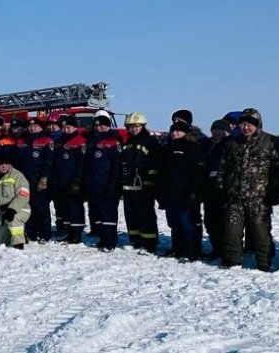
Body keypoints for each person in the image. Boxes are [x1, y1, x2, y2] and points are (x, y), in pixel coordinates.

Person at [220, 107, 279, 271]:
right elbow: (224, 166)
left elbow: (278, 170)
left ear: (258, 125)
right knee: (231, 232)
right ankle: (232, 262)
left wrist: (276, 192)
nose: (246, 127)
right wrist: (221, 186)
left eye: (250, 124)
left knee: (260, 233)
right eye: (243, 124)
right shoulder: (232, 143)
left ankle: (264, 264)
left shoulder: (270, 142)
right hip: (235, 197)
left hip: (259, 198)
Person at [157, 121, 204, 261]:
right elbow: (161, 172)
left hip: (187, 194)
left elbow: (198, 171)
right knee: (174, 223)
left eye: (178, 131)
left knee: (188, 222)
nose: (175, 133)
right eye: (173, 131)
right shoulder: (166, 148)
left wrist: (194, 191)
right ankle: (177, 248)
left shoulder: (193, 148)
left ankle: (193, 250)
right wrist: (160, 192)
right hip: (170, 194)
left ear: (185, 133)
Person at [120, 112, 161, 252]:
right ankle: (135, 240)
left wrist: (150, 182)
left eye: (136, 126)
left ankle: (149, 243)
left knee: (146, 214)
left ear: (142, 126)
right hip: (128, 184)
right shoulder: (127, 143)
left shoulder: (151, 142)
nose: (133, 129)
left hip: (143, 185)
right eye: (130, 127)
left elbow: (155, 164)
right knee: (130, 214)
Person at [84, 111, 123, 251]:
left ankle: (110, 242)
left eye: (101, 126)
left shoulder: (114, 140)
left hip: (107, 185)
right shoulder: (92, 141)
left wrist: (113, 184)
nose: (98, 129)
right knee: (98, 214)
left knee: (108, 215)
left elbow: (116, 166)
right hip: (94, 184)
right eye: (96, 126)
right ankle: (102, 237)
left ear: (108, 126)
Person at [49, 116, 87, 244]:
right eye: (63, 128)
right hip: (60, 181)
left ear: (75, 127)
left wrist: (78, 181)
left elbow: (82, 164)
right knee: (64, 208)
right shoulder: (59, 141)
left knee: (75, 208)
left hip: (73, 182)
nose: (66, 130)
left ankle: (76, 234)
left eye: (68, 128)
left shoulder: (80, 141)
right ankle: (68, 231)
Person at [16, 117, 54, 242]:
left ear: (41, 127)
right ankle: (30, 232)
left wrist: (44, 178)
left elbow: (49, 162)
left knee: (41, 208)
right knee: (27, 207)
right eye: (31, 126)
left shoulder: (46, 140)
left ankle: (45, 234)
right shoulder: (22, 140)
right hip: (24, 180)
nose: (32, 128)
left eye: (35, 126)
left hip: (39, 180)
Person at [202, 119, 233, 260]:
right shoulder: (206, 145)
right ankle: (216, 248)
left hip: (224, 188)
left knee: (225, 221)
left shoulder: (230, 144)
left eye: (219, 129)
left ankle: (227, 250)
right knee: (210, 220)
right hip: (208, 187)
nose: (216, 132)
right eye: (213, 129)